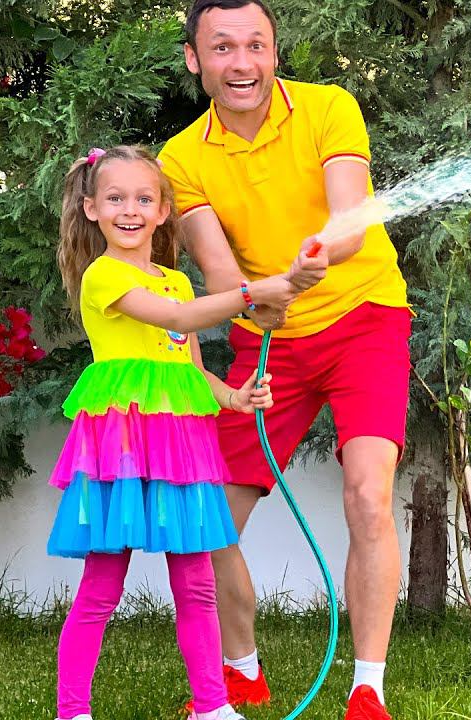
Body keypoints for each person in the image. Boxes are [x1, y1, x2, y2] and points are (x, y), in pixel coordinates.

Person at [158, 1, 412, 718]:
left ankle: (368, 689)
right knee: (206, 514)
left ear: (274, 51)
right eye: (222, 47)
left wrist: (316, 256)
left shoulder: (329, 107)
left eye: (256, 45)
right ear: (194, 59)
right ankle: (242, 673)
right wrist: (257, 302)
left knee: (368, 495)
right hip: (269, 341)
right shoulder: (181, 159)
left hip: (364, 319)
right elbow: (219, 273)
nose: (242, 63)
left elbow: (349, 221)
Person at [47, 145, 294, 720]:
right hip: (120, 446)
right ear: (91, 208)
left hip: (177, 450)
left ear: (162, 212)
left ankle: (212, 705)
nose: (129, 210)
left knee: (196, 582)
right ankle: (72, 710)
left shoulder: (178, 282)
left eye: (143, 199)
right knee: (102, 586)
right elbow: (179, 321)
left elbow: (187, 365)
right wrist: (252, 294)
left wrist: (233, 397)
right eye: (115, 198)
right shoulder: (103, 276)